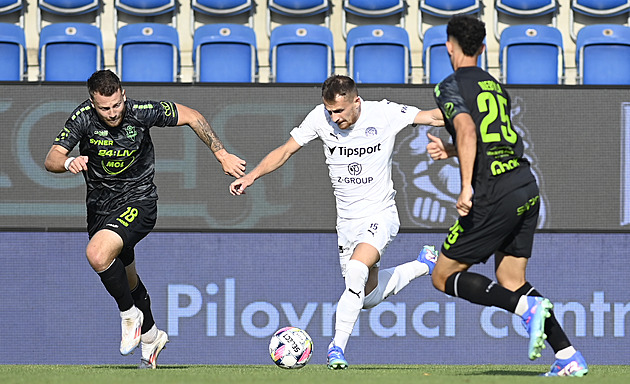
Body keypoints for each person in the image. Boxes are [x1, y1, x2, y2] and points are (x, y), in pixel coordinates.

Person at [229, 75, 442, 369]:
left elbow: (431, 116)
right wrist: (251, 176)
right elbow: (286, 149)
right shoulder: (320, 118)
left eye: (339, 111)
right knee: (365, 298)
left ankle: (336, 348)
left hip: (380, 212)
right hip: (347, 222)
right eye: (330, 111)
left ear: (356, 102)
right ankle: (423, 265)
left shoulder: (384, 113)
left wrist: (470, 115)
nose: (334, 117)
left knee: (357, 270)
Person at [44, 70, 246, 369]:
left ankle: (129, 316)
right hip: (101, 209)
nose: (112, 113)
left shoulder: (140, 111)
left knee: (97, 254)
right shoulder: (82, 118)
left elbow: (191, 115)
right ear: (92, 102)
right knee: (127, 278)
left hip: (139, 202)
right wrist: (69, 161)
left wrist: (221, 153)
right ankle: (151, 336)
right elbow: (51, 159)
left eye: (116, 105)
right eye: (104, 108)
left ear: (123, 95)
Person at [426, 15, 588, 377]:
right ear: (482, 49)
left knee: (442, 275)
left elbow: (468, 129)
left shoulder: (449, 85)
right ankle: (568, 356)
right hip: (525, 185)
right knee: (511, 278)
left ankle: (525, 310)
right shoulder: (495, 86)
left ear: (449, 46)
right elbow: (493, 138)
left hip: (493, 192)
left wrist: (465, 184)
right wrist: (451, 151)